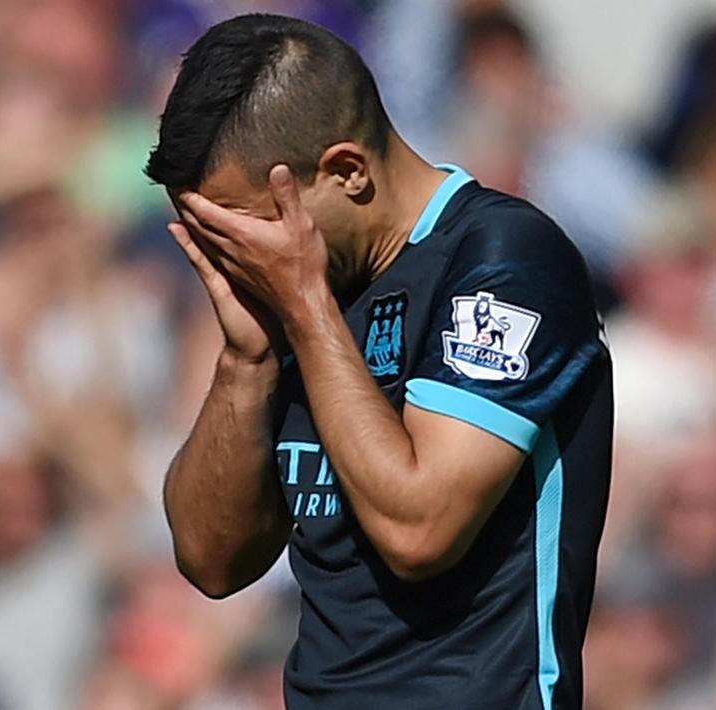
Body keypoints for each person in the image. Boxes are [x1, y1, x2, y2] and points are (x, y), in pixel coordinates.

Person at [145, 14, 612, 709]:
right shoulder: (307, 293)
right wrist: (245, 360)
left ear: (347, 170)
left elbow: (419, 530)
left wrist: (304, 312)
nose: (241, 259)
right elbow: (210, 560)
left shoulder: (502, 260)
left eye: (251, 225)